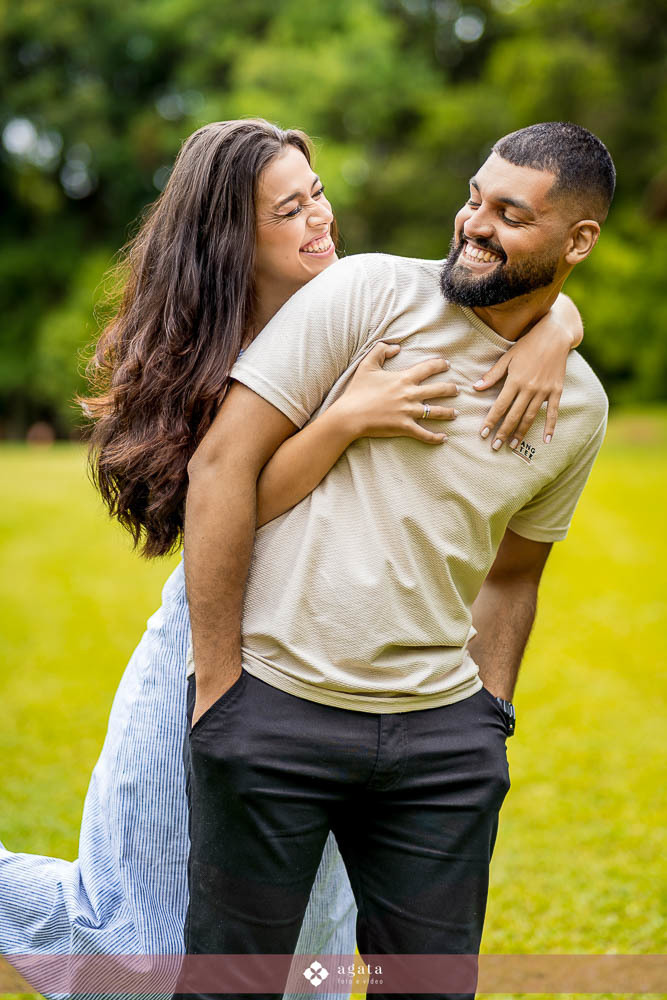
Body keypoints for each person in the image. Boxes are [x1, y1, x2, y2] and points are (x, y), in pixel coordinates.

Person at [1, 119, 586, 1000]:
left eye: (317, 195)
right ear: (231, 237)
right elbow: (221, 504)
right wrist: (342, 421)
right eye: (289, 209)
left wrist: (557, 328)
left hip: (349, 690)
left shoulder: (368, 300)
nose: (320, 219)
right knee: (130, 954)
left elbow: (502, 282)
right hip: (220, 637)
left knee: (305, 970)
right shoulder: (217, 349)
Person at [177, 121, 615, 1000]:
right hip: (275, 710)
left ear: (576, 241)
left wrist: (486, 718)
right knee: (234, 986)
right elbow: (221, 465)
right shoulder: (370, 291)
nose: (474, 224)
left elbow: (513, 575)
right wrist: (220, 683)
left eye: (509, 214)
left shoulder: (577, 406)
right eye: (473, 198)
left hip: (440, 748)